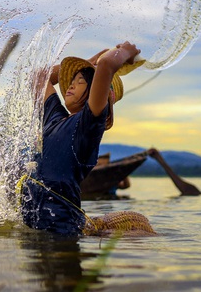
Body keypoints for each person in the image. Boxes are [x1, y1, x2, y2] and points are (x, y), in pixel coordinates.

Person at [19, 41, 143, 236]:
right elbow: (39, 78)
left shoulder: (88, 126)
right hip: (34, 223)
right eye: (72, 81)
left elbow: (106, 66)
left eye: (81, 82)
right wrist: (89, 61)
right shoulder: (54, 117)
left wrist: (125, 51)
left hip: (61, 227)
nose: (70, 86)